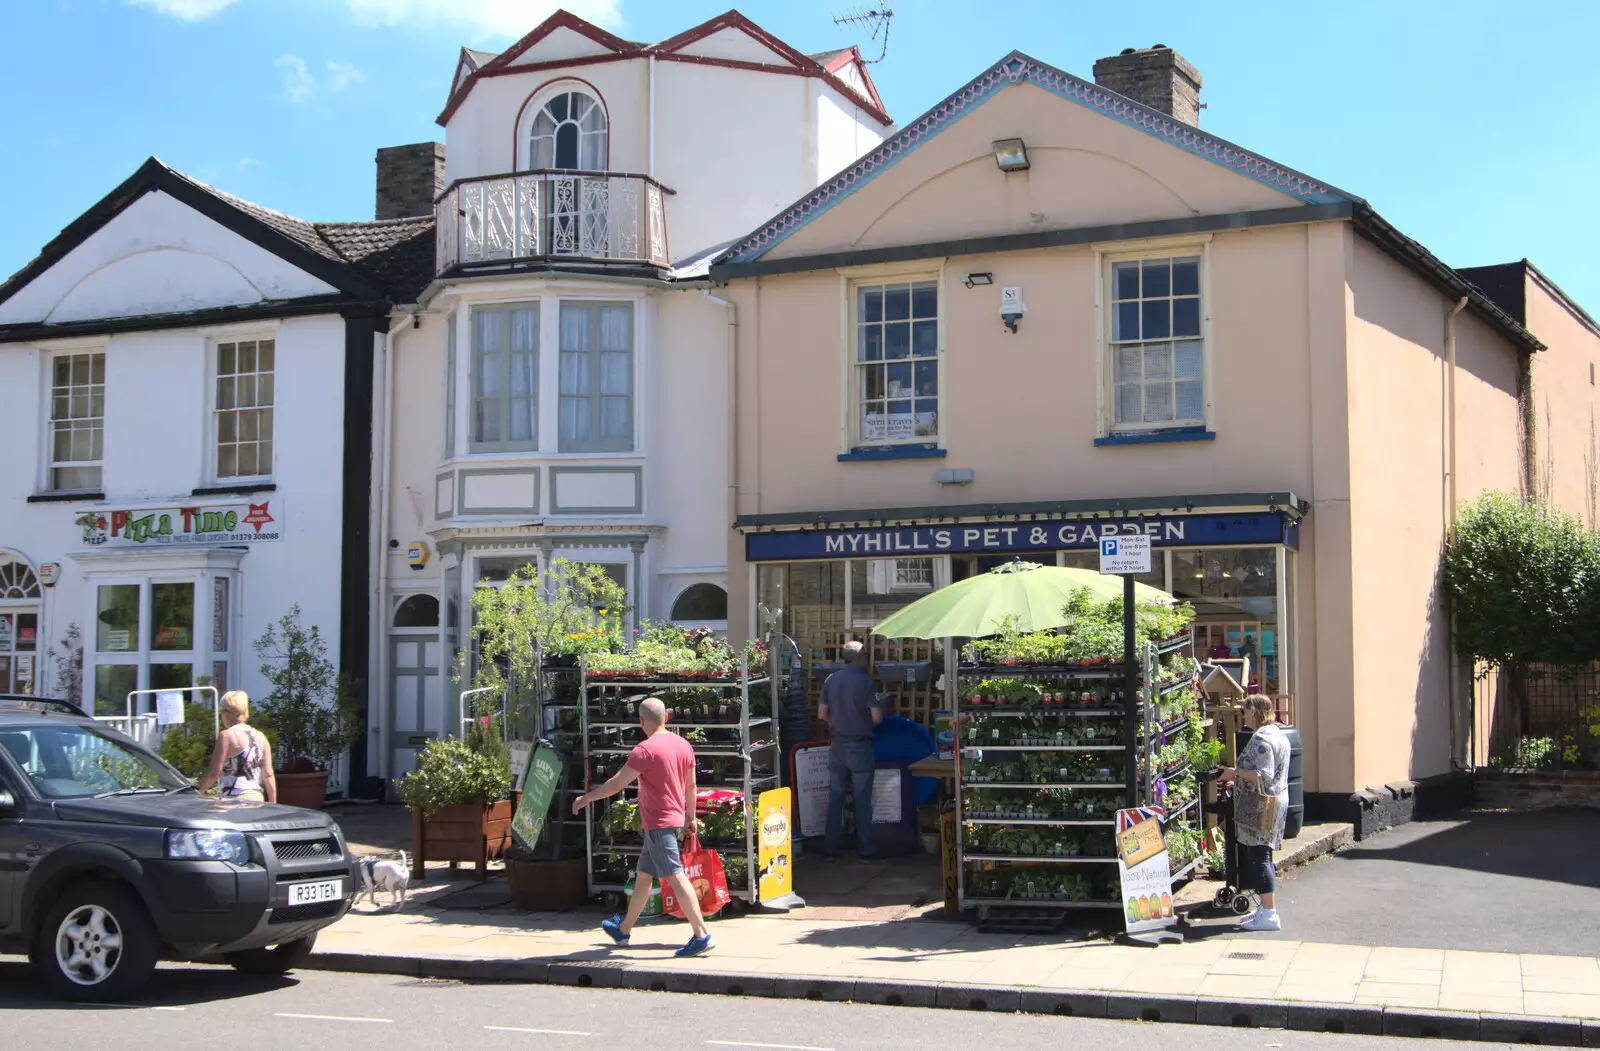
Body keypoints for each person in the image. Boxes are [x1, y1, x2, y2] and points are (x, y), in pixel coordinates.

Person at [572, 697, 712, 958]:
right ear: (666, 717)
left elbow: (617, 785)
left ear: (641, 722)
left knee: (675, 875)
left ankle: (701, 934)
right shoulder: (683, 745)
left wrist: (586, 798)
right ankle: (623, 930)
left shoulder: (644, 750)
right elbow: (691, 786)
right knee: (644, 876)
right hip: (669, 821)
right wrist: (690, 817)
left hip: (659, 823)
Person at [1219, 693, 1291, 931]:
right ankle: (1264, 909)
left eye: (1246, 710)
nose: (1243, 714)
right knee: (1265, 855)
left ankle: (1269, 913)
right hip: (1276, 800)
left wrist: (1234, 773)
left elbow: (1263, 774)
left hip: (1262, 805)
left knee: (1259, 857)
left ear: (1256, 712)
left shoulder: (1262, 738)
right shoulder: (1278, 734)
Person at [817, 640, 884, 861]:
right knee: (862, 798)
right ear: (859, 656)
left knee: (835, 796)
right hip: (859, 745)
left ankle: (829, 848)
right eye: (866, 652)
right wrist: (863, 724)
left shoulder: (831, 680)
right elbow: (876, 717)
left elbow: (822, 714)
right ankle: (866, 849)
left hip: (836, 744)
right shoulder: (866, 682)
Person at [198, 690, 276, 803]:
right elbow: (268, 774)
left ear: (228, 712)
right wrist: (273, 803)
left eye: (222, 711)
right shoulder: (261, 737)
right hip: (257, 798)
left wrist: (198, 792)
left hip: (236, 798)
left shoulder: (227, 735)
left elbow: (214, 772)